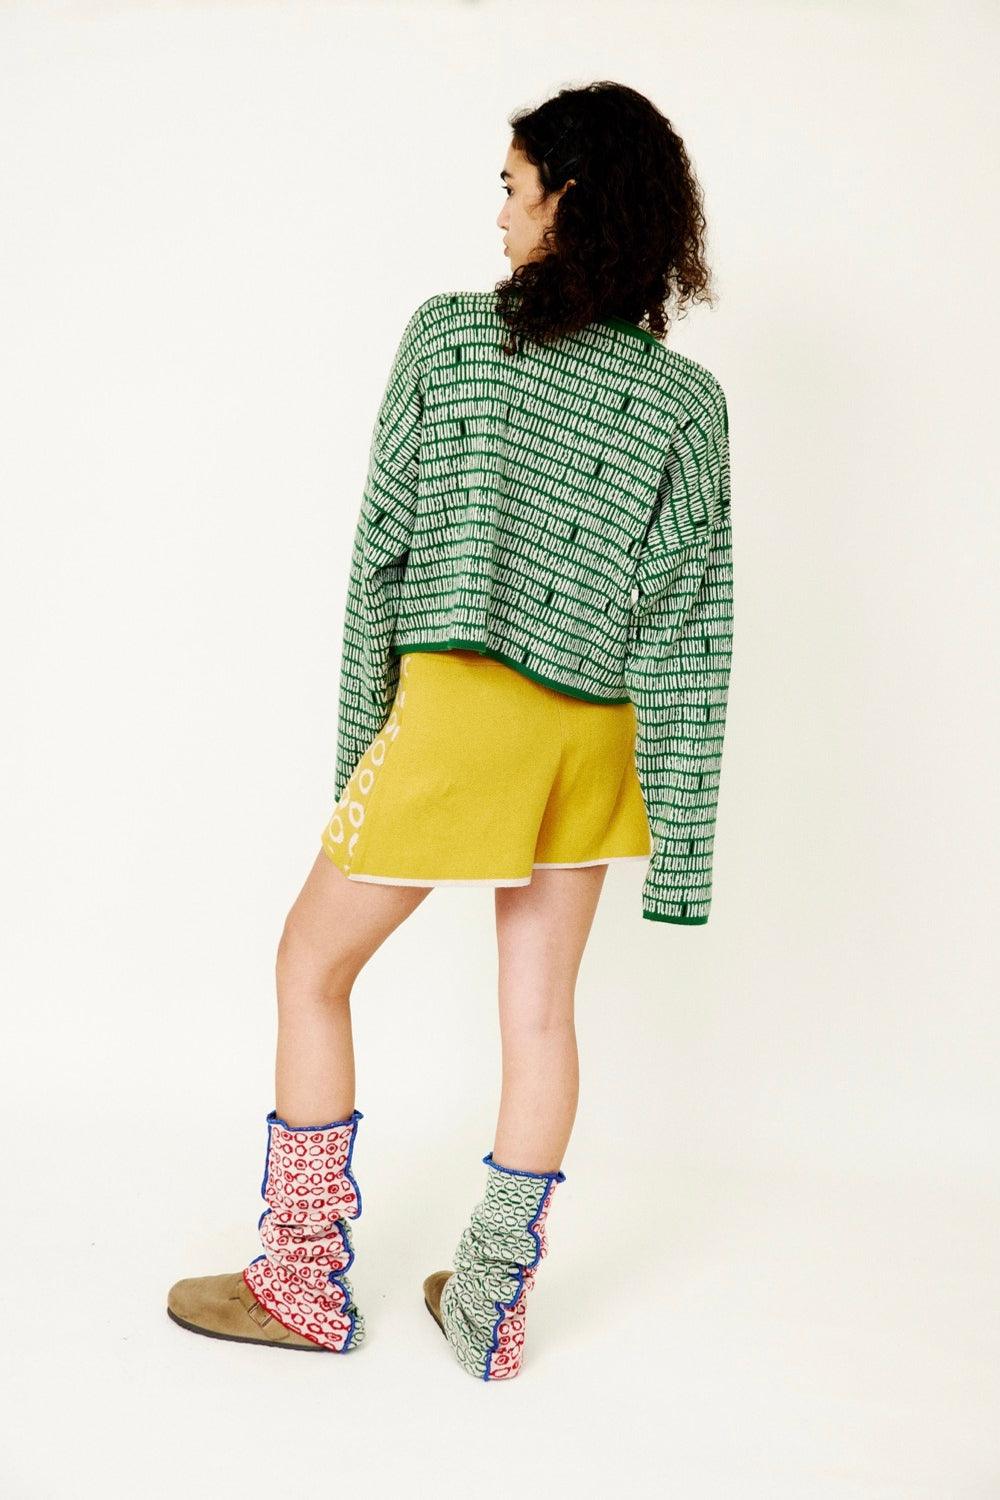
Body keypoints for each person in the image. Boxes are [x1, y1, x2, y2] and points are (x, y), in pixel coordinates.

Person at [166, 79, 734, 1381]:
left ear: (568, 202)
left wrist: (364, 751)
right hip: (589, 738)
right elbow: (692, 629)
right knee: (539, 1016)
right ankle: (488, 1306)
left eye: (513, 187)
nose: (499, 216)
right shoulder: (686, 402)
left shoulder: (452, 339)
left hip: (462, 720)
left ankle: (300, 1282)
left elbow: (384, 549)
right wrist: (684, 852)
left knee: (310, 966)